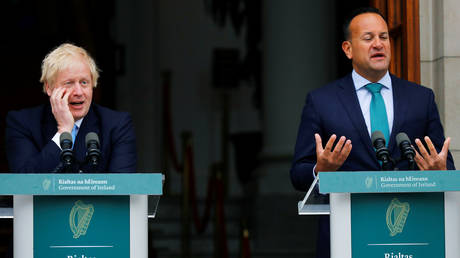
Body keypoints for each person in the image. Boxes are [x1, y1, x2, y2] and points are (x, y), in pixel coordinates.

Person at [290, 7, 455, 258]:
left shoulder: (421, 98)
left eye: (384, 37)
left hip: (411, 236)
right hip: (347, 236)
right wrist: (320, 171)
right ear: (348, 49)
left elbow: (445, 165)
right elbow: (298, 173)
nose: (378, 44)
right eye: (368, 38)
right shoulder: (322, 102)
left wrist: (440, 172)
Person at [6, 43, 137, 173]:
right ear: (49, 88)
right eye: (69, 83)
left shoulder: (117, 125)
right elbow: (24, 184)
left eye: (84, 82)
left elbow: (123, 187)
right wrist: (63, 130)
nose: (79, 92)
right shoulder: (22, 123)